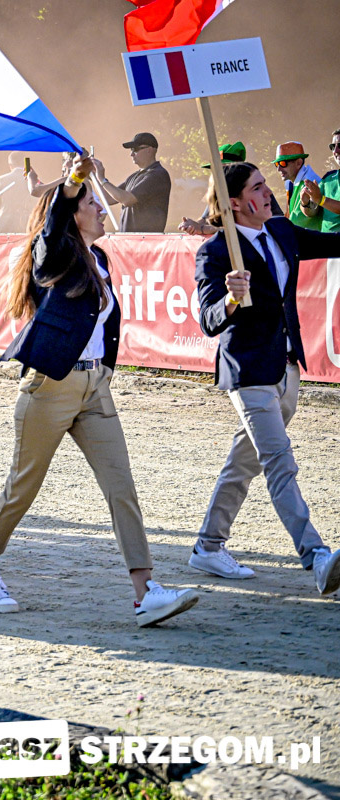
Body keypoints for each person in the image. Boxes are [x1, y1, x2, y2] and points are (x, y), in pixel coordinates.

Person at [0, 156, 198, 627]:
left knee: (121, 487)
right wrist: (73, 180)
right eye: (91, 202)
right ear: (71, 212)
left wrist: (105, 371)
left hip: (95, 388)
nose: (100, 208)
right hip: (50, 386)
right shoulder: (53, 251)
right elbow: (53, 228)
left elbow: (106, 324)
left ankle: (145, 592)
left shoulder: (101, 258)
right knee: (23, 487)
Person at [188, 161, 340, 595]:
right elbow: (209, 320)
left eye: (265, 185)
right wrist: (231, 299)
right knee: (279, 463)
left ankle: (208, 546)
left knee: (244, 463)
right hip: (249, 371)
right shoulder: (216, 252)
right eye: (257, 187)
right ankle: (316, 556)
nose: (268, 192)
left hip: (287, 368)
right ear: (235, 203)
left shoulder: (281, 230)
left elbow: (335, 242)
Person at [94, 132, 171, 233]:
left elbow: (127, 200)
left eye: (135, 149)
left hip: (146, 240)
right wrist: (94, 176)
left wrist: (102, 179)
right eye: (131, 150)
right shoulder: (134, 176)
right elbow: (108, 199)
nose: (131, 154)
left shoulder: (157, 175)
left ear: (149, 150)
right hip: (130, 239)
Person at [272, 142, 322, 230]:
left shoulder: (309, 183)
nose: (278, 169)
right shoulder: (290, 182)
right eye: (277, 164)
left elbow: (297, 221)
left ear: (299, 163)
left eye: (283, 163)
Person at [300, 128, 340, 232]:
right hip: (325, 240)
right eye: (333, 147)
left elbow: (320, 200)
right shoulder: (328, 178)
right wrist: (305, 203)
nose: (335, 151)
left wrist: (321, 200)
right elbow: (312, 212)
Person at [0, 153, 33, 234]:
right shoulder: (32, 179)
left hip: (5, 225)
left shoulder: (3, 179)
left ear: (10, 165)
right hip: (25, 225)